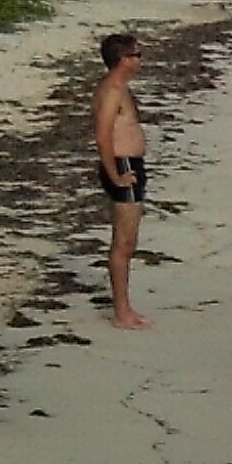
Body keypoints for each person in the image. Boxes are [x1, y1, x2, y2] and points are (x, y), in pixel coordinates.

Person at [92, 32, 153, 330]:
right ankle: (122, 312)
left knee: (128, 241)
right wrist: (116, 175)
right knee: (124, 242)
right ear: (124, 60)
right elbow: (103, 137)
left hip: (132, 165)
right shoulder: (113, 90)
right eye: (137, 55)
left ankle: (125, 308)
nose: (140, 59)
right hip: (123, 166)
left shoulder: (122, 88)